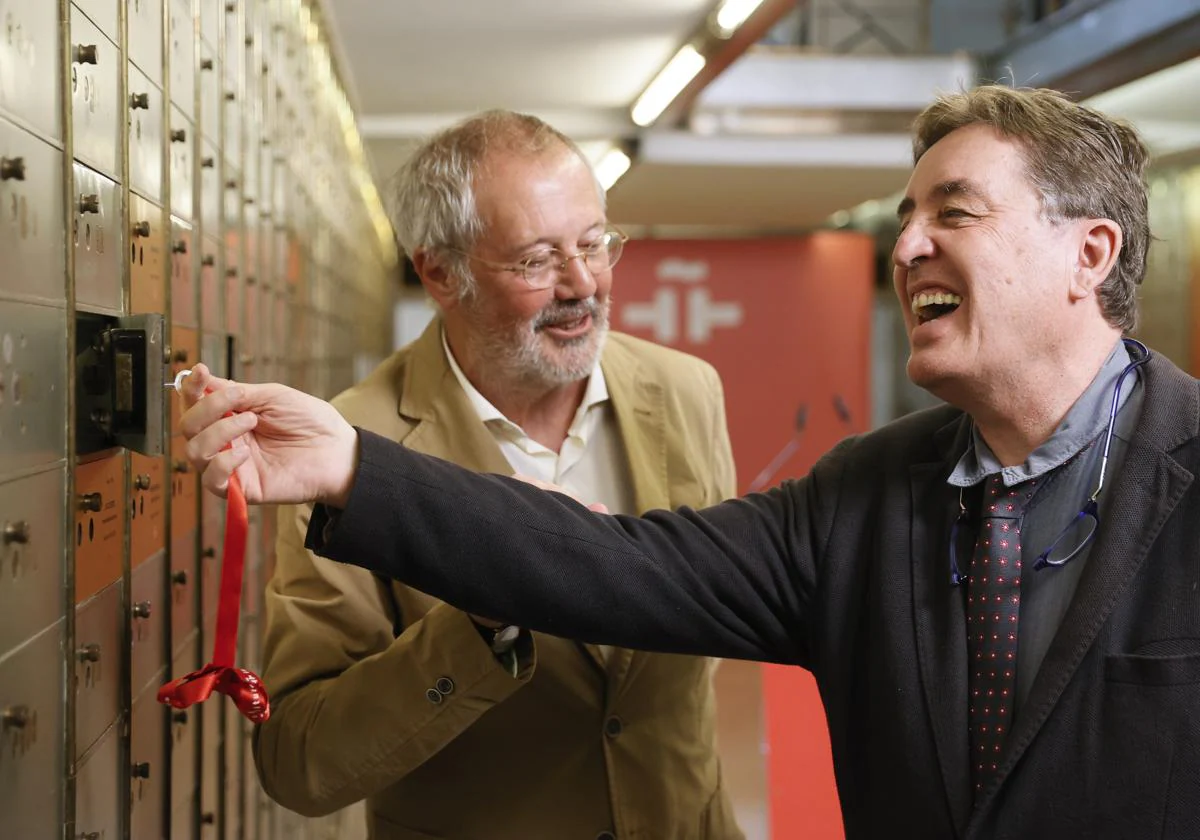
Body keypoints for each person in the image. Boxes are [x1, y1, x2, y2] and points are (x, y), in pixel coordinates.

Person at [181, 85, 1200, 839]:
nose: (905, 250)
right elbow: (621, 567)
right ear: (439, 275)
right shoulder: (866, 497)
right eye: (907, 220)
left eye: (955, 214)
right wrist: (361, 466)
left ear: (1091, 254)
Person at [247, 110, 746, 840]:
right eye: (537, 260)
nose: (583, 284)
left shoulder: (686, 390)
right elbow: (300, 761)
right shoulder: (352, 453)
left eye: (594, 244)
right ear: (440, 274)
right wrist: (479, 623)